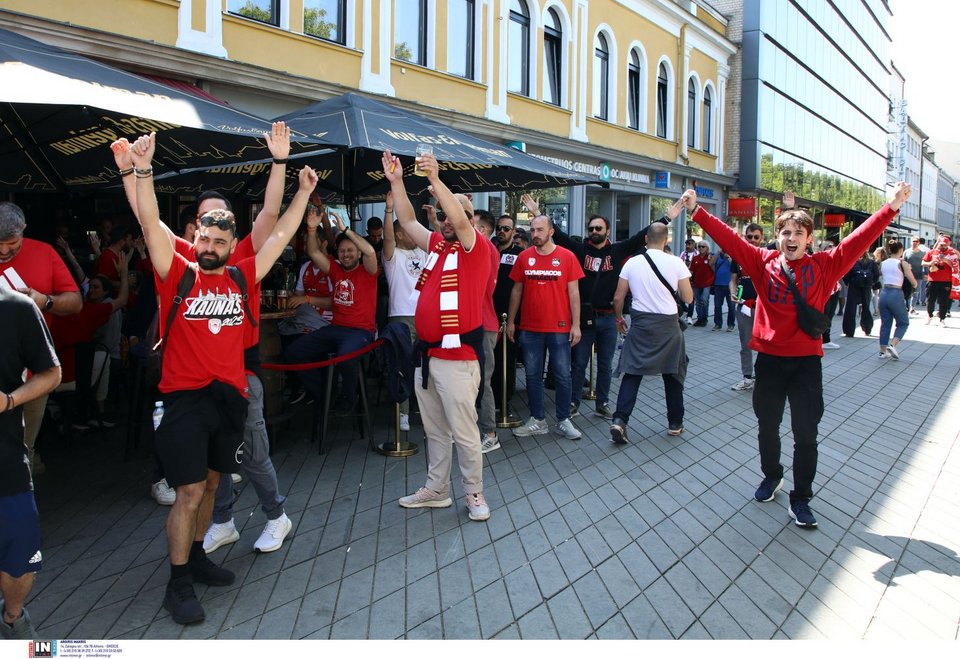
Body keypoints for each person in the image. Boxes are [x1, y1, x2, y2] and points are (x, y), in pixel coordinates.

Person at [127, 130, 317, 624]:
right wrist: (141, 171)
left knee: (212, 486)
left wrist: (300, 188)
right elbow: (149, 220)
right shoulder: (177, 272)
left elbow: (278, 230)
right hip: (184, 399)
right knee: (189, 492)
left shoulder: (241, 275)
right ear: (194, 238)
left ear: (232, 245)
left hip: (228, 398)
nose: (209, 247)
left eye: (219, 241)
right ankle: (178, 580)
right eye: (203, 239)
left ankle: (199, 557)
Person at [683, 181, 912, 529]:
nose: (791, 238)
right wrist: (697, 211)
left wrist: (891, 206)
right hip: (771, 363)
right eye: (785, 232)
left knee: (806, 435)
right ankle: (772, 476)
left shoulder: (826, 265)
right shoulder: (762, 262)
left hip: (807, 365)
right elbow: (730, 238)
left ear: (809, 237)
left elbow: (861, 238)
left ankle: (801, 498)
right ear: (778, 236)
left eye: (799, 232)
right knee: (767, 428)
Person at [382, 149, 494, 522]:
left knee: (464, 433)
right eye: (443, 213)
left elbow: (460, 221)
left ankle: (474, 493)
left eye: (454, 212)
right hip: (427, 356)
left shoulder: (476, 248)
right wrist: (397, 181)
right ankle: (437, 489)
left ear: (468, 216)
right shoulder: (436, 246)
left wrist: (434, 180)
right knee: (434, 431)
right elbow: (409, 219)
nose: (447, 218)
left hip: (458, 359)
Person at [534, 199, 678, 422]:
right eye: (591, 228)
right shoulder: (580, 250)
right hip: (584, 319)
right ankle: (574, 402)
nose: (594, 232)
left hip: (609, 319)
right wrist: (537, 212)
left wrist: (667, 218)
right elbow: (559, 235)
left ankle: (602, 403)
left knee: (605, 364)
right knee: (579, 363)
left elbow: (642, 235)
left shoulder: (618, 251)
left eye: (598, 228)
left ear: (607, 231)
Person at [0, 202, 82, 475]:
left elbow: (75, 302)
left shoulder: (44, 252)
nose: (3, 251)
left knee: (23, 450)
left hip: (34, 374)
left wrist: (43, 301)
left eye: (11, 244)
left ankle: (20, 511)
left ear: (23, 230)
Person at [0, 287, 61, 640]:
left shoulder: (16, 307)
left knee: (21, 551)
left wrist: (9, 400)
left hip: (5, 456)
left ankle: (12, 617)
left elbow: (51, 373)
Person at [284, 205, 379, 412]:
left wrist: (345, 231)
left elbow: (370, 251)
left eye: (350, 251)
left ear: (357, 254)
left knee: (344, 356)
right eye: (343, 251)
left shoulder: (367, 271)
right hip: (335, 328)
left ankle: (350, 398)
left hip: (361, 331)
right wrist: (311, 230)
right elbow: (312, 252)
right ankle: (324, 396)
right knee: (294, 352)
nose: (346, 254)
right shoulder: (335, 269)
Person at [609, 222, 692, 444]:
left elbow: (618, 298)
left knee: (632, 372)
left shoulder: (632, 263)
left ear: (646, 239)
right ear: (667, 240)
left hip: (640, 324)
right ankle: (675, 423)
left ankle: (620, 420)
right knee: (672, 373)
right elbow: (688, 298)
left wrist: (619, 320)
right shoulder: (676, 262)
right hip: (669, 327)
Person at [507, 215, 585, 440]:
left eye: (540, 230)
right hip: (530, 328)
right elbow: (516, 291)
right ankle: (538, 419)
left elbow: (574, 293)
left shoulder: (567, 257)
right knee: (532, 375)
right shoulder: (524, 257)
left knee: (562, 375)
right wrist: (511, 321)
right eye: (532, 230)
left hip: (559, 328)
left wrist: (576, 325)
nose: (535, 234)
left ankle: (563, 419)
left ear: (551, 231)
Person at [381, 192, 426, 431]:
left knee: (427, 364)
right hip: (401, 316)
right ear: (400, 234)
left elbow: (441, 242)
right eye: (410, 230)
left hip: (426, 316)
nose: (416, 235)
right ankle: (404, 412)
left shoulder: (423, 251)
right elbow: (388, 238)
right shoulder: (393, 255)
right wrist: (389, 210)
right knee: (402, 363)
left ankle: (426, 410)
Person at [490, 214, 523, 444]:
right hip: (486, 314)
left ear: (513, 232)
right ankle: (488, 401)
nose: (501, 232)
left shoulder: (519, 255)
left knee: (506, 360)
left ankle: (505, 402)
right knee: (488, 361)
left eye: (506, 228)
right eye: (499, 228)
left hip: (508, 316)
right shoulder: (489, 249)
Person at [729, 224, 763, 391]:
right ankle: (747, 377)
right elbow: (733, 279)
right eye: (749, 236)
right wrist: (732, 292)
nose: (753, 240)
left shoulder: (766, 256)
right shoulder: (738, 256)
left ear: (761, 238)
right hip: (744, 306)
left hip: (764, 308)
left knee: (765, 344)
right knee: (746, 343)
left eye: (756, 237)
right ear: (745, 236)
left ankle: (764, 376)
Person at [877, 240, 916, 360]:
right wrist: (914, 284)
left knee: (885, 323)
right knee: (903, 322)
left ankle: (883, 351)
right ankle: (892, 345)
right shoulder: (902, 263)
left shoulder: (883, 263)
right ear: (900, 250)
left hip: (884, 293)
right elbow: (913, 281)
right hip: (896, 293)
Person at [921, 234, 958, 327]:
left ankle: (942, 318)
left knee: (943, 301)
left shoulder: (952, 253)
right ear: (938, 244)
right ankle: (929, 315)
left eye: (945, 245)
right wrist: (930, 263)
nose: (943, 247)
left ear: (948, 244)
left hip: (946, 281)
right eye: (941, 245)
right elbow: (923, 262)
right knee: (930, 299)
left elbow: (955, 266)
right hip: (932, 280)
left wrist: (945, 260)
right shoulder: (932, 252)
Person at [841, 252, 879, 337]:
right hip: (866, 287)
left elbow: (846, 275)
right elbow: (876, 275)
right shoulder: (871, 262)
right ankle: (867, 328)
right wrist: (872, 283)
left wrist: (848, 283)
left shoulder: (853, 261)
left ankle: (849, 331)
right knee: (866, 307)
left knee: (851, 309)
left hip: (854, 286)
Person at [689, 241, 715, 326]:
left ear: (707, 248)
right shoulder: (695, 258)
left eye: (703, 246)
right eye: (699, 246)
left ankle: (704, 318)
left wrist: (710, 261)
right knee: (698, 301)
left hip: (707, 283)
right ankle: (699, 318)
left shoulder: (710, 257)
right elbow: (691, 270)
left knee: (704, 300)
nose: (701, 248)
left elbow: (714, 269)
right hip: (697, 283)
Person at [712, 246, 735, 331]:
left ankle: (731, 324)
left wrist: (728, 257)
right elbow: (711, 263)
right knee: (717, 305)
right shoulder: (717, 255)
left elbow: (735, 266)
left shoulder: (733, 255)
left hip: (730, 285)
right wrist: (718, 252)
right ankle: (718, 324)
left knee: (731, 306)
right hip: (718, 284)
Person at [903, 237, 926, 314]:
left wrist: (926, 274)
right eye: (914, 241)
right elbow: (903, 262)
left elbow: (925, 264)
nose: (915, 243)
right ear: (911, 242)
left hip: (918, 275)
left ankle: (912, 308)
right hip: (908, 276)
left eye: (917, 241)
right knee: (908, 291)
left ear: (919, 243)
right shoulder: (906, 252)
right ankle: (907, 307)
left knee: (916, 292)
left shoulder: (922, 253)